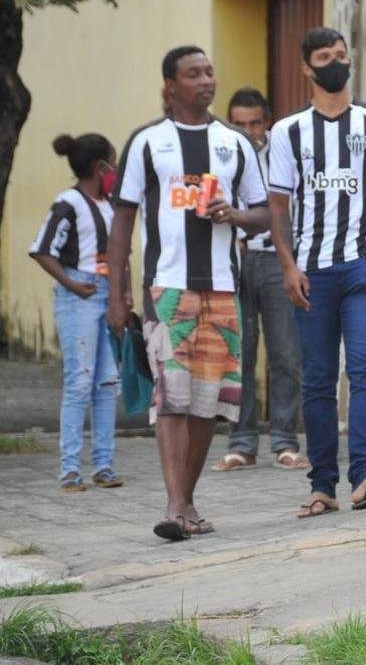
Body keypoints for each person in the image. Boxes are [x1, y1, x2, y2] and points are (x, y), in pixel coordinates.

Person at [107, 45, 270, 540]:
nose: (206, 80)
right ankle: (175, 504)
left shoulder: (233, 143)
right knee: (172, 396)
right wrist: (118, 295)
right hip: (167, 288)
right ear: (171, 86)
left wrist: (234, 214)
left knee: (208, 402)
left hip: (223, 287)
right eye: (193, 74)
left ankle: (189, 501)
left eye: (209, 71)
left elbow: (264, 212)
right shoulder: (147, 142)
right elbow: (122, 221)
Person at [267, 27, 366, 520]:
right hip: (312, 273)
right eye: (324, 57)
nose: (334, 63)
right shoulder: (287, 132)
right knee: (319, 380)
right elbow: (278, 205)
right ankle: (321, 485)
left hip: (363, 271)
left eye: (341, 55)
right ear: (307, 67)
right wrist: (288, 265)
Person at [212, 87, 308, 473]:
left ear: (267, 122)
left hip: (277, 260)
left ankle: (285, 441)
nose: (249, 130)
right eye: (240, 123)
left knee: (286, 354)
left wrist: (295, 260)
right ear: (229, 122)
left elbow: (294, 207)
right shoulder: (221, 154)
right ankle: (241, 443)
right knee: (240, 356)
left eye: (255, 122)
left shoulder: (285, 152)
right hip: (233, 262)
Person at [30, 133, 124, 492]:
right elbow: (41, 249)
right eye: (112, 163)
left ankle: (103, 464)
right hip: (79, 294)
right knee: (79, 380)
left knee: (106, 381)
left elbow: (120, 254)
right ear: (100, 167)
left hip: (105, 291)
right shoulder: (68, 202)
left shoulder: (111, 204)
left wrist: (121, 294)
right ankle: (70, 468)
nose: (115, 170)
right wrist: (71, 284)